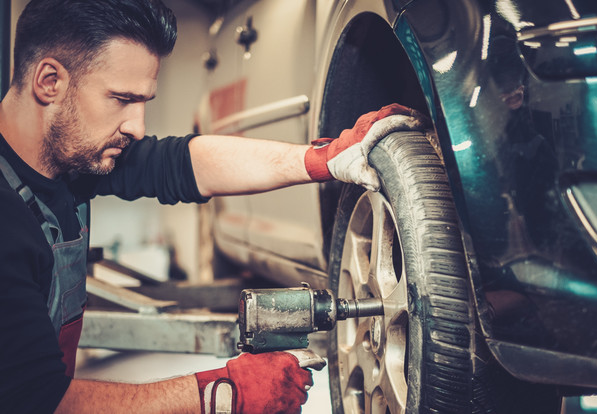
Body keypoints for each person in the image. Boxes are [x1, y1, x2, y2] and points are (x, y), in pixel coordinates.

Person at [0, 0, 427, 413]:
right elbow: (38, 401)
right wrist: (226, 392)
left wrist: (318, 158)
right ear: (49, 82)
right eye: (121, 99)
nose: (137, 126)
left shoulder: (67, 160)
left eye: (144, 102)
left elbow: (179, 164)